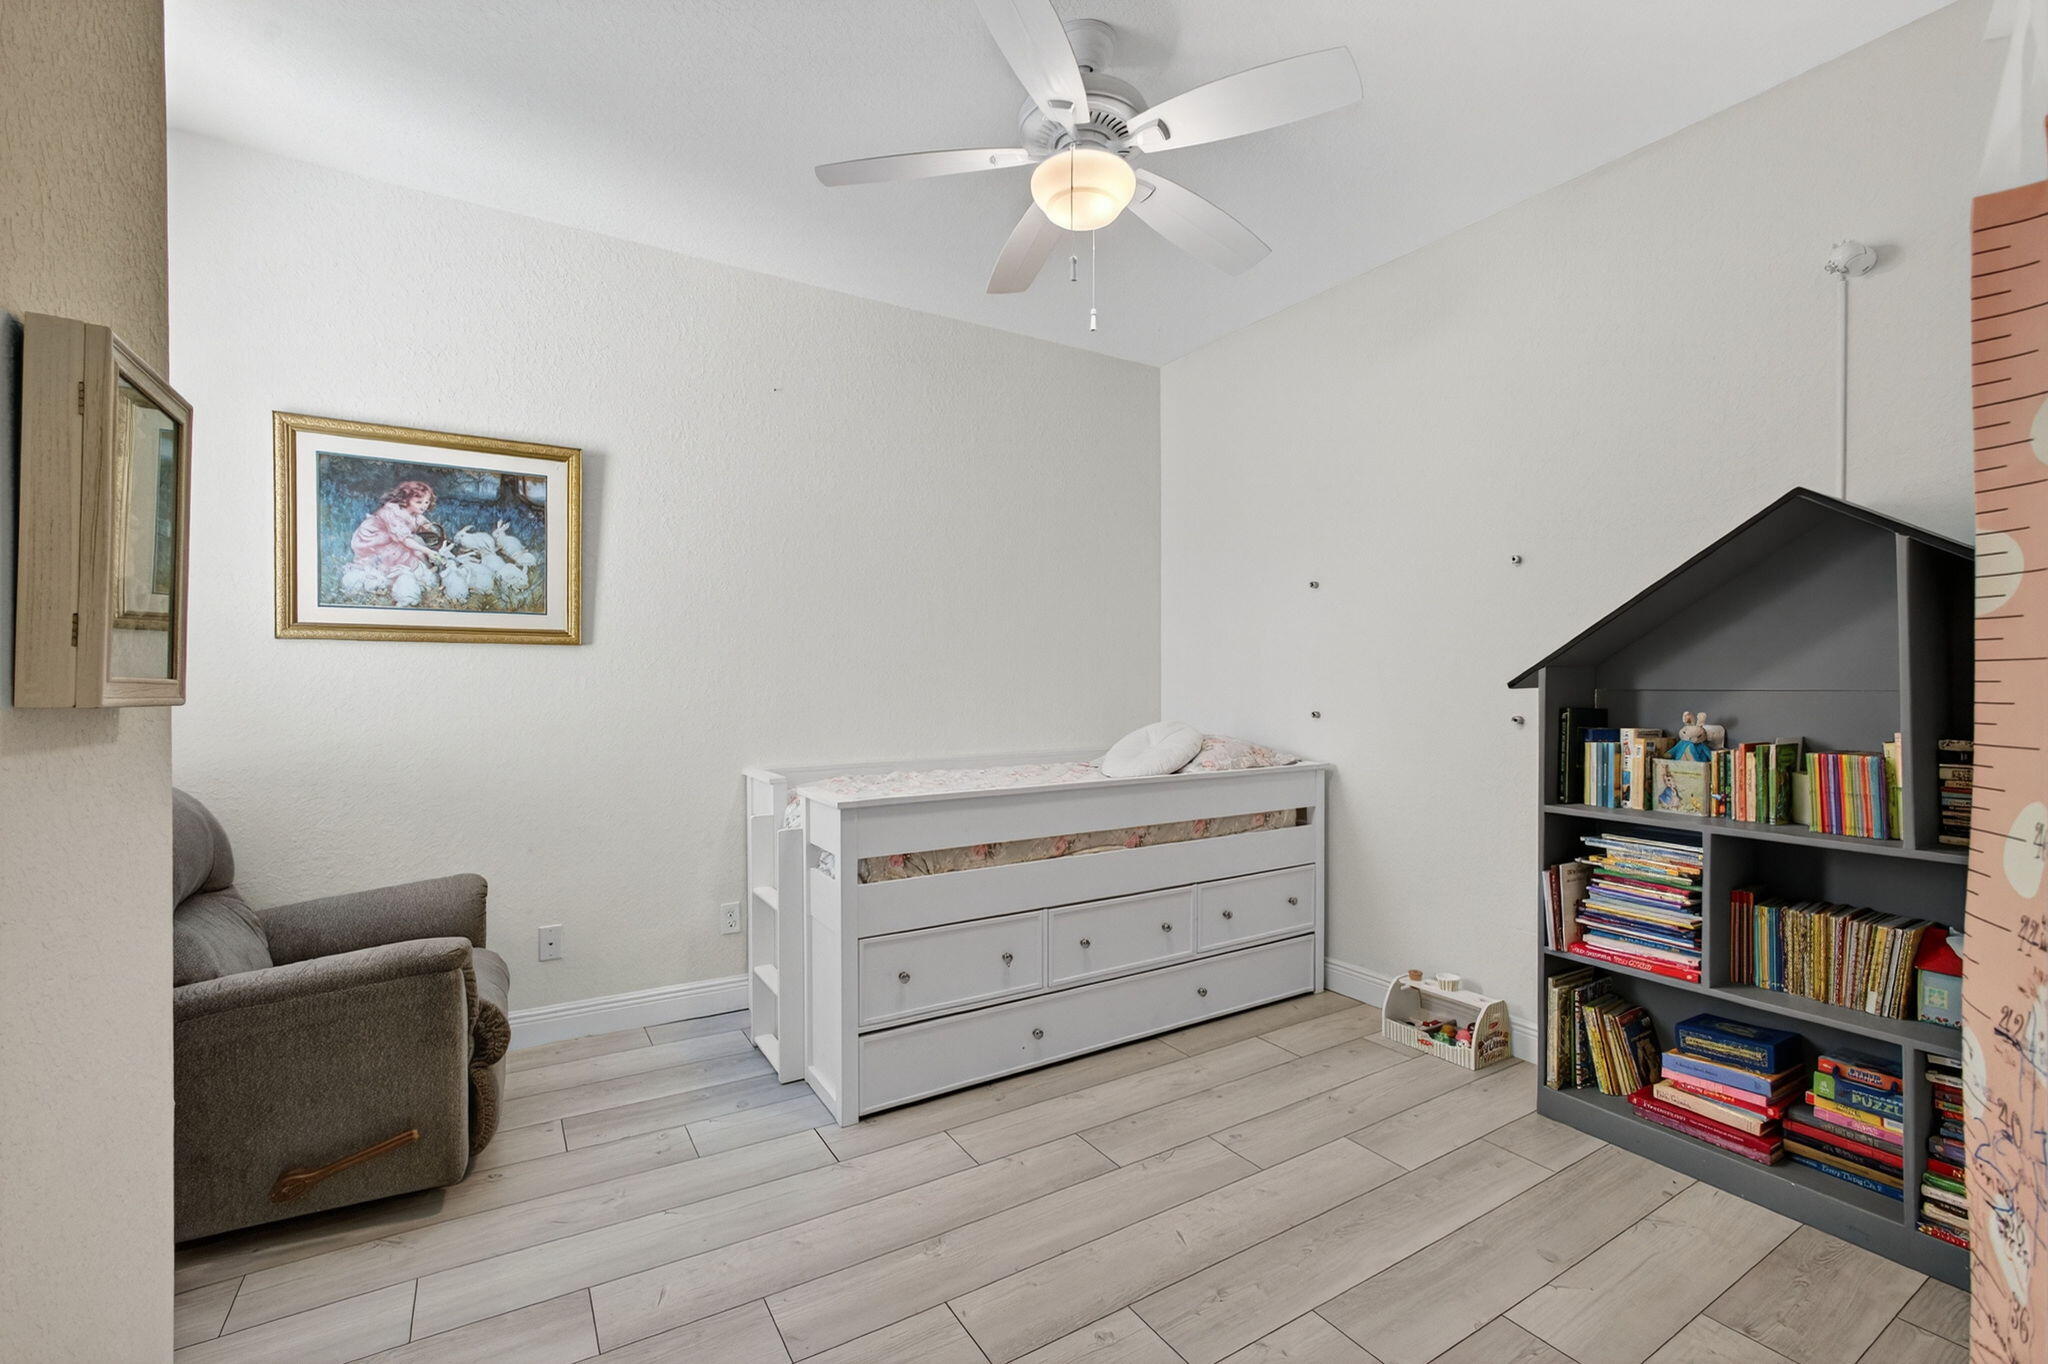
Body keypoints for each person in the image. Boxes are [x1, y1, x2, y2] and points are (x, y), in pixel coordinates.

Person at [349, 479, 437, 580]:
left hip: (392, 537)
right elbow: (405, 540)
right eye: (419, 502)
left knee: (415, 544)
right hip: (375, 539)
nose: (424, 506)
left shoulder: (415, 513)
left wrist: (429, 528)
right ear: (406, 500)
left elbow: (425, 524)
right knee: (406, 551)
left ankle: (427, 568)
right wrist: (428, 551)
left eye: (426, 502)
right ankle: (422, 570)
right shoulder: (392, 512)